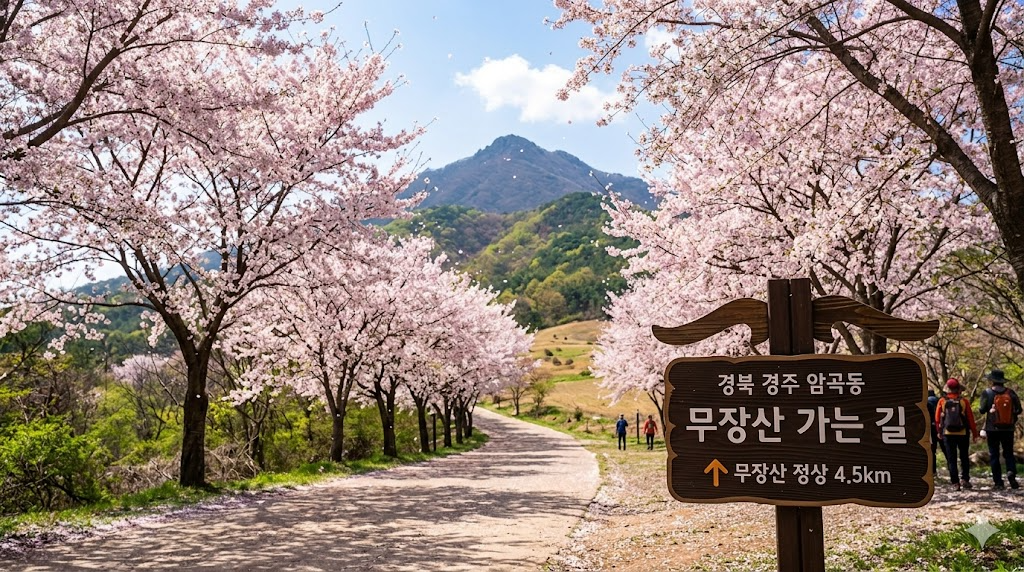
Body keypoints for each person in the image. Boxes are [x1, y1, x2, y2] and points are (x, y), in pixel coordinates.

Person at [978, 369, 1022, 490]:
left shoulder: (987, 393)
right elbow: (1019, 410)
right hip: (1008, 429)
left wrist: (990, 410)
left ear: (992, 380)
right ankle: (1011, 473)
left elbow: (981, 410)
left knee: (994, 455)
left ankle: (998, 482)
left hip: (992, 428)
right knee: (1008, 453)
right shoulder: (1011, 393)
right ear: (1002, 381)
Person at [935, 378, 978, 491]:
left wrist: (939, 432)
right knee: (964, 456)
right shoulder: (964, 401)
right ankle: (965, 479)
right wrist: (974, 433)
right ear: (958, 389)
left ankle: (955, 483)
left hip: (948, 433)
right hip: (963, 433)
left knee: (951, 458)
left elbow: (937, 419)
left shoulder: (942, 401)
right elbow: (970, 419)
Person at [927, 389, 941, 474]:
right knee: (944, 450)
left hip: (929, 429)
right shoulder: (939, 400)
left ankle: (932, 470)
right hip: (939, 427)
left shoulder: (927, 402)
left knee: (931, 450)